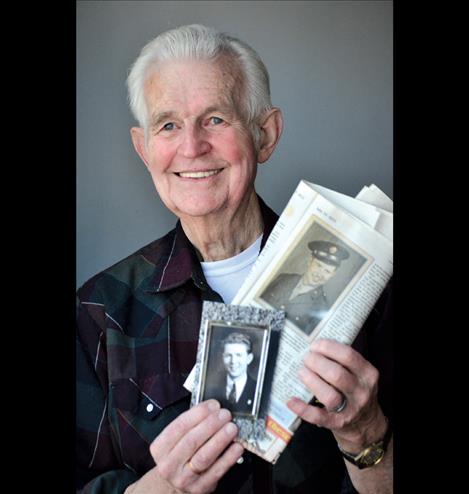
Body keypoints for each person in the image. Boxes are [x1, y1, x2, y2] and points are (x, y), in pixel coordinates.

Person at [77, 24, 393, 494]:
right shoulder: (98, 312)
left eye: (216, 120)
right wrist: (166, 485)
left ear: (265, 135)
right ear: (145, 150)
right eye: (168, 125)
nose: (191, 147)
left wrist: (366, 434)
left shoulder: (371, 285)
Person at [262, 240, 349, 335]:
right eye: (318, 265)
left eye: (327, 271)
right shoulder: (283, 278)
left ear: (332, 274)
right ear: (310, 261)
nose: (319, 274)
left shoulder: (322, 308)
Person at [203, 332, 257, 414]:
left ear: (249, 358)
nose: (233, 361)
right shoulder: (211, 388)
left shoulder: (257, 390)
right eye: (228, 355)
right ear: (222, 357)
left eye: (238, 355)